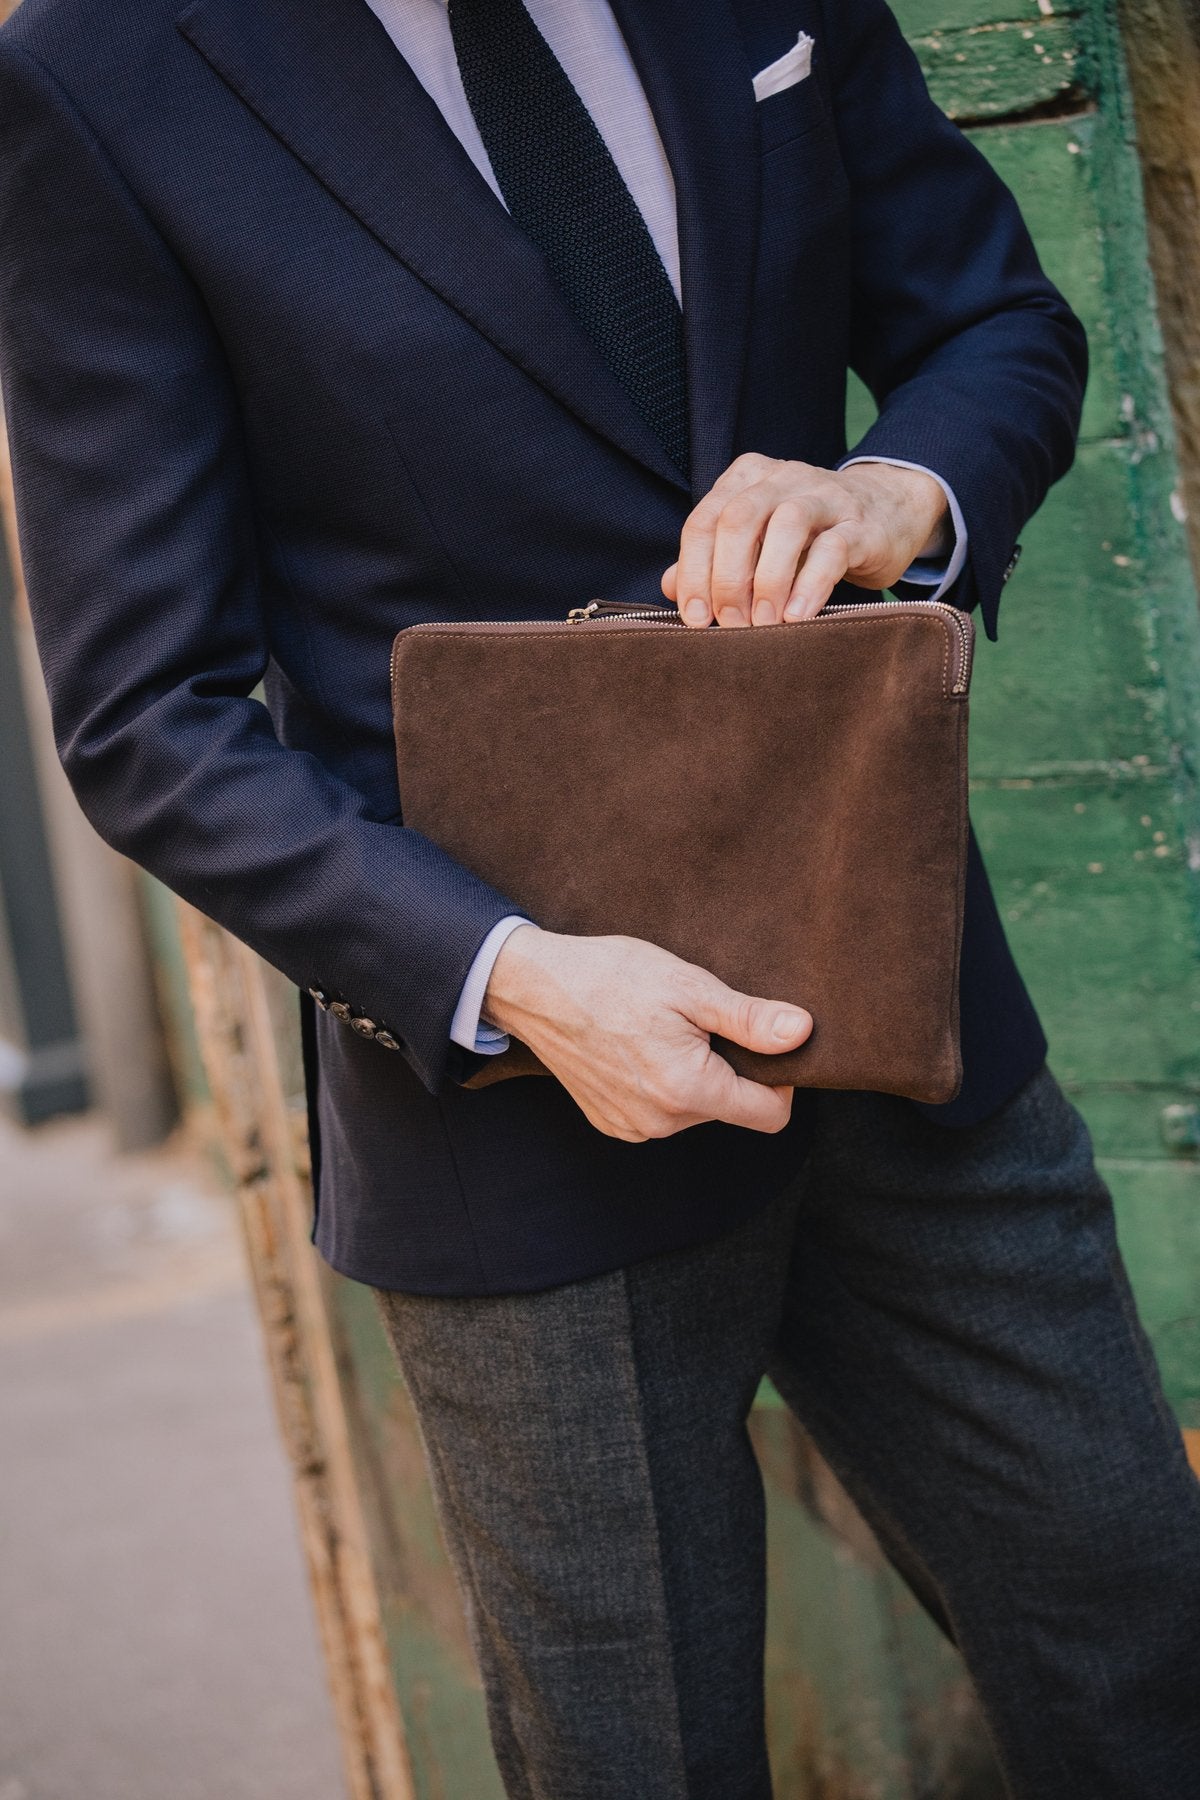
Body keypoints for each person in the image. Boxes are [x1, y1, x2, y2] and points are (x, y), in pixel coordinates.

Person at [1, 0, 1197, 1792]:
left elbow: (993, 320)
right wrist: (513, 978)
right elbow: (145, 718)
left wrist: (895, 486)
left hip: (901, 1010)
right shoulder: (97, 76)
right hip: (516, 1112)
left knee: (1148, 1658)